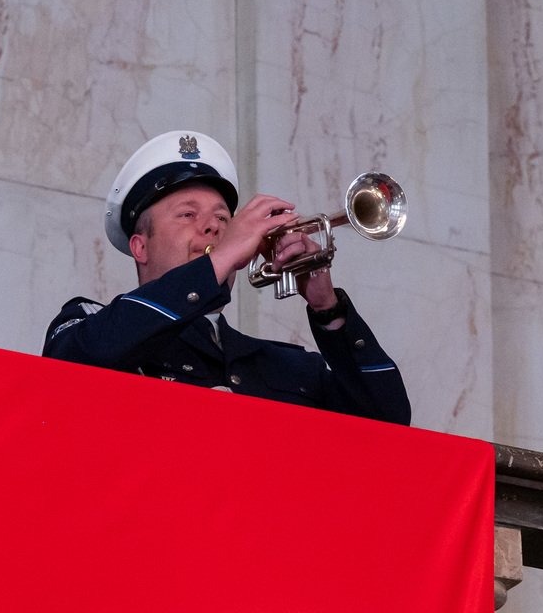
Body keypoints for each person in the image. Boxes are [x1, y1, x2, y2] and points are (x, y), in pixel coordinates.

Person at [44, 131, 411, 425]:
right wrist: (216, 262)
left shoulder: (291, 366)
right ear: (141, 247)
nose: (213, 227)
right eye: (188, 215)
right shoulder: (88, 324)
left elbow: (388, 423)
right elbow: (66, 369)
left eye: (223, 219)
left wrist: (327, 309)